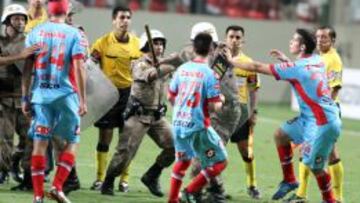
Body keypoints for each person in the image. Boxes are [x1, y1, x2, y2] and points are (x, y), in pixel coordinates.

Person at [227, 28, 341, 203]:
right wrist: (287, 61)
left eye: (294, 40)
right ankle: (289, 180)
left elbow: (257, 67)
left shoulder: (296, 68)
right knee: (281, 134)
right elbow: (302, 73)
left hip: (322, 122)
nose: (290, 42)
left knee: (315, 167)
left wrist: (230, 60)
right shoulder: (316, 60)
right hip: (310, 117)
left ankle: (330, 200)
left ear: (302, 47)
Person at [21, 0, 87, 202]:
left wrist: (25, 96)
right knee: (73, 140)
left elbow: (27, 67)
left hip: (41, 95)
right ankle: (57, 186)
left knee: (39, 144)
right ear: (67, 10)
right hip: (66, 95)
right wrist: (83, 100)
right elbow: (79, 67)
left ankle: (38, 196)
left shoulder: (35, 32)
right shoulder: (75, 34)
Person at [101, 29, 175, 197]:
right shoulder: (138, 64)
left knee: (174, 147)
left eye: (161, 43)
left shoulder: (164, 63)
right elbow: (149, 76)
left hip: (157, 117)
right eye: (155, 43)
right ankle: (109, 180)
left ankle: (152, 175)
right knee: (125, 154)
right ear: (146, 46)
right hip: (138, 115)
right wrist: (165, 67)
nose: (159, 47)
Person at [286, 26, 344, 203]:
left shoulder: (333, 59)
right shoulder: (318, 57)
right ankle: (303, 195)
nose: (320, 40)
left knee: (323, 153)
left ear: (333, 41)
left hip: (326, 113)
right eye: (318, 37)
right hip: (316, 113)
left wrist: (325, 112)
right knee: (313, 150)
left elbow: (334, 88)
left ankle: (335, 197)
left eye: (325, 38)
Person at [167, 32, 228, 203]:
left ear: (193, 47)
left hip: (178, 125)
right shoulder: (210, 74)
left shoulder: (182, 69)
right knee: (220, 161)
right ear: (210, 49)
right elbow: (215, 107)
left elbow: (170, 96)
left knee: (183, 161)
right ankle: (190, 191)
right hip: (198, 128)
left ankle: (172, 199)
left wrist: (182, 110)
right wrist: (222, 99)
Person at [90, 5, 141, 192]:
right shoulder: (102, 43)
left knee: (127, 140)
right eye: (121, 17)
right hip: (108, 94)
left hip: (130, 95)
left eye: (128, 17)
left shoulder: (137, 44)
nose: (125, 20)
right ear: (114, 20)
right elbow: (90, 66)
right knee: (104, 138)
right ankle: (100, 178)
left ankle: (124, 180)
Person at [0, 3, 38, 185]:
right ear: (7, 21)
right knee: (4, 141)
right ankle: (3, 171)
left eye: (23, 18)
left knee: (29, 139)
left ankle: (26, 174)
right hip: (3, 100)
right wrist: (21, 56)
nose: (21, 22)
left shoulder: (30, 41)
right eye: (16, 18)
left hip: (24, 99)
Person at [225, 25, 261, 199]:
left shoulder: (248, 63)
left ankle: (252, 185)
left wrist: (253, 113)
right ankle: (213, 185)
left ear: (243, 41)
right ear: (226, 39)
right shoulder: (220, 60)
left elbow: (254, 89)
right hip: (221, 112)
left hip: (241, 112)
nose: (234, 40)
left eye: (238, 37)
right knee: (215, 151)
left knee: (246, 152)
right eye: (231, 36)